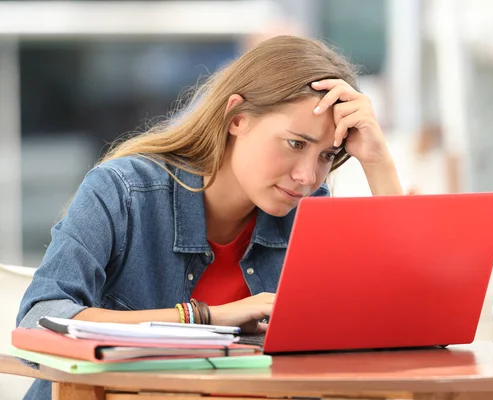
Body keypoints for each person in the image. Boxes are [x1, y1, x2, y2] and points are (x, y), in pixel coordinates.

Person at [16, 35, 403, 399]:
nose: (307, 176)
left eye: (326, 156)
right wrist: (204, 318)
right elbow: (39, 320)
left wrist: (379, 163)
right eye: (295, 143)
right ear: (237, 118)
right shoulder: (123, 192)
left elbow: (406, 328)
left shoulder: (310, 215)